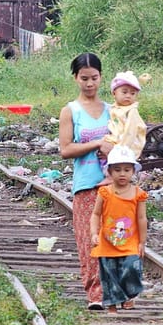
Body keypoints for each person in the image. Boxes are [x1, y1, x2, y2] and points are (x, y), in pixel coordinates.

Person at [59, 53, 113, 310]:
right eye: (84, 78)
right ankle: (95, 294)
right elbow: (66, 149)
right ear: (75, 78)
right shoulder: (71, 111)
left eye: (94, 78)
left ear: (101, 77)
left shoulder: (114, 111)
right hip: (86, 184)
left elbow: (128, 144)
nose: (90, 84)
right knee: (88, 240)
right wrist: (96, 144)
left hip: (114, 185)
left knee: (116, 239)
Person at [90, 145, 148, 314]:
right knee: (109, 274)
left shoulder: (138, 194)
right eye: (117, 170)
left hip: (130, 242)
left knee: (131, 267)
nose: (122, 174)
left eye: (127, 170)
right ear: (110, 171)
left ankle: (128, 295)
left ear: (133, 172)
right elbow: (95, 214)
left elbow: (142, 218)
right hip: (107, 243)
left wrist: (142, 242)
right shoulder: (105, 192)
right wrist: (94, 233)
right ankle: (112, 305)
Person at [100, 70, 147, 176]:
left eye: (132, 93)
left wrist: (120, 149)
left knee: (120, 163)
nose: (128, 96)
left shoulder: (131, 111)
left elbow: (130, 132)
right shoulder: (115, 108)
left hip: (128, 143)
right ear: (114, 93)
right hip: (118, 138)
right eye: (124, 92)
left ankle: (112, 174)